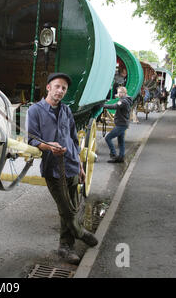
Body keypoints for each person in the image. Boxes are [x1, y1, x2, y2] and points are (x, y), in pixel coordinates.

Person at [27, 72, 98, 265]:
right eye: (57, 86)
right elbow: (32, 139)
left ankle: (65, 247)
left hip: (72, 166)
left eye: (64, 88)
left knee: (71, 210)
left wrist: (81, 166)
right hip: (53, 168)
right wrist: (48, 146)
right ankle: (80, 232)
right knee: (66, 209)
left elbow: (74, 141)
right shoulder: (35, 111)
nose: (60, 91)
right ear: (48, 87)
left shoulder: (66, 111)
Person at [103, 86, 133, 163]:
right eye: (118, 92)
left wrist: (103, 106)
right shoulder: (125, 100)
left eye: (120, 92)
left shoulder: (123, 101)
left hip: (121, 124)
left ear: (124, 93)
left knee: (108, 138)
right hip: (122, 123)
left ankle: (113, 154)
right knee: (121, 142)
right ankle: (121, 157)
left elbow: (115, 106)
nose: (118, 94)